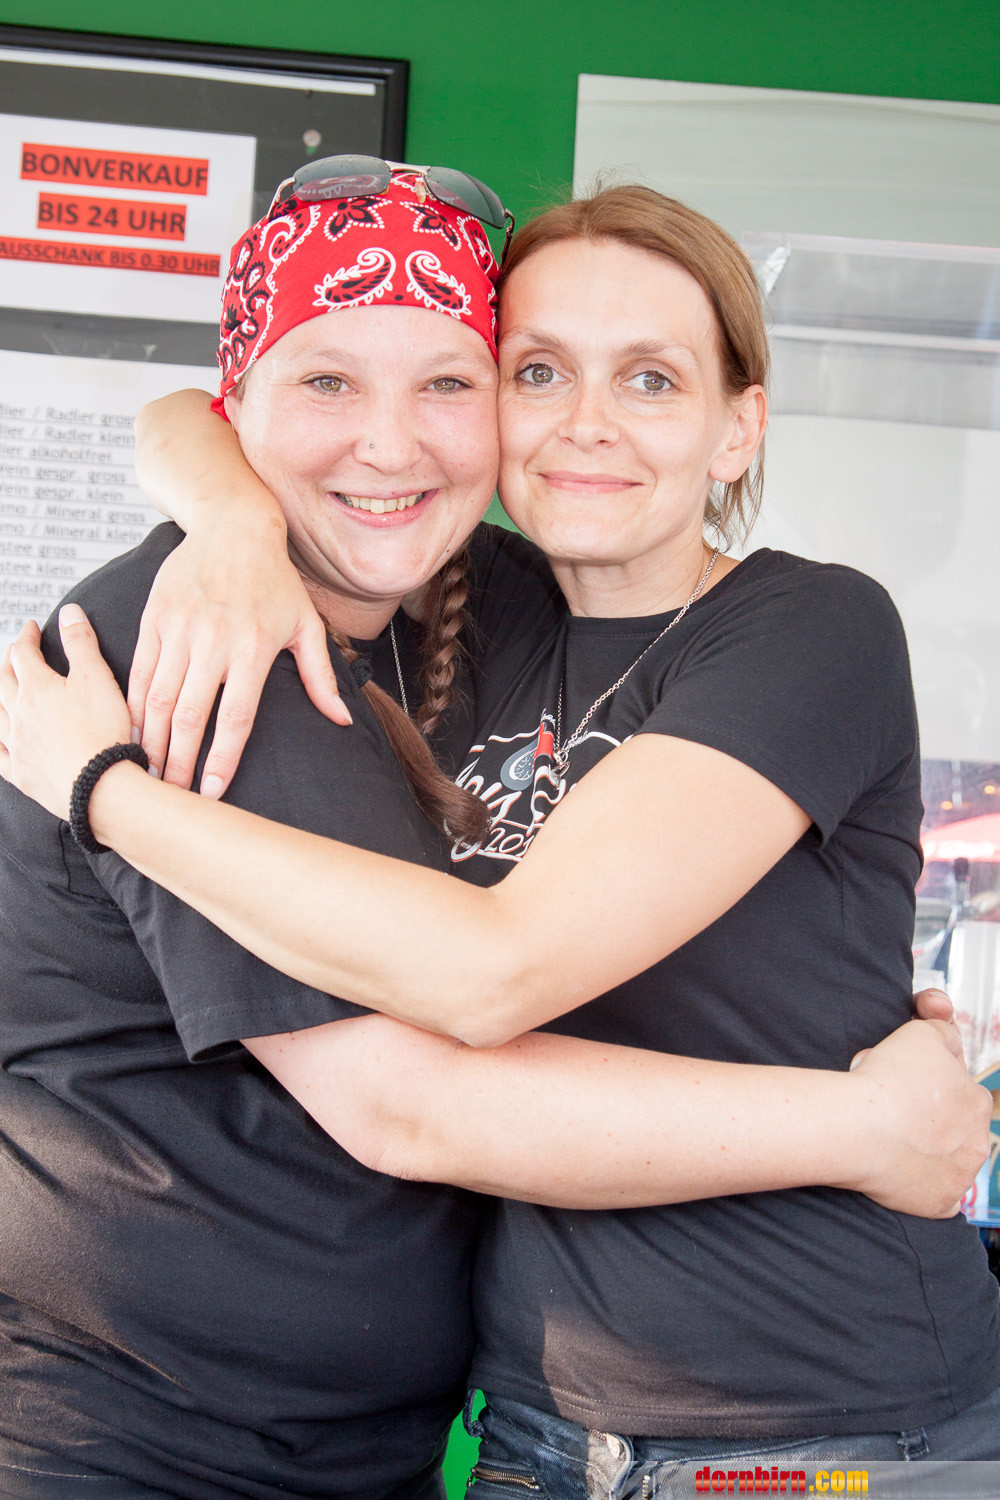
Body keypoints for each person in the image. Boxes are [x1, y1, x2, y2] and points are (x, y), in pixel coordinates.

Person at [0, 174, 995, 1499]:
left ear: (740, 427)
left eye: (651, 379)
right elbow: (205, 410)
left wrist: (112, 790)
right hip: (516, 1430)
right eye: (538, 372)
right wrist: (222, 525)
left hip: (820, 1417)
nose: (587, 424)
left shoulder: (799, 626)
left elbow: (493, 971)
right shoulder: (384, 621)